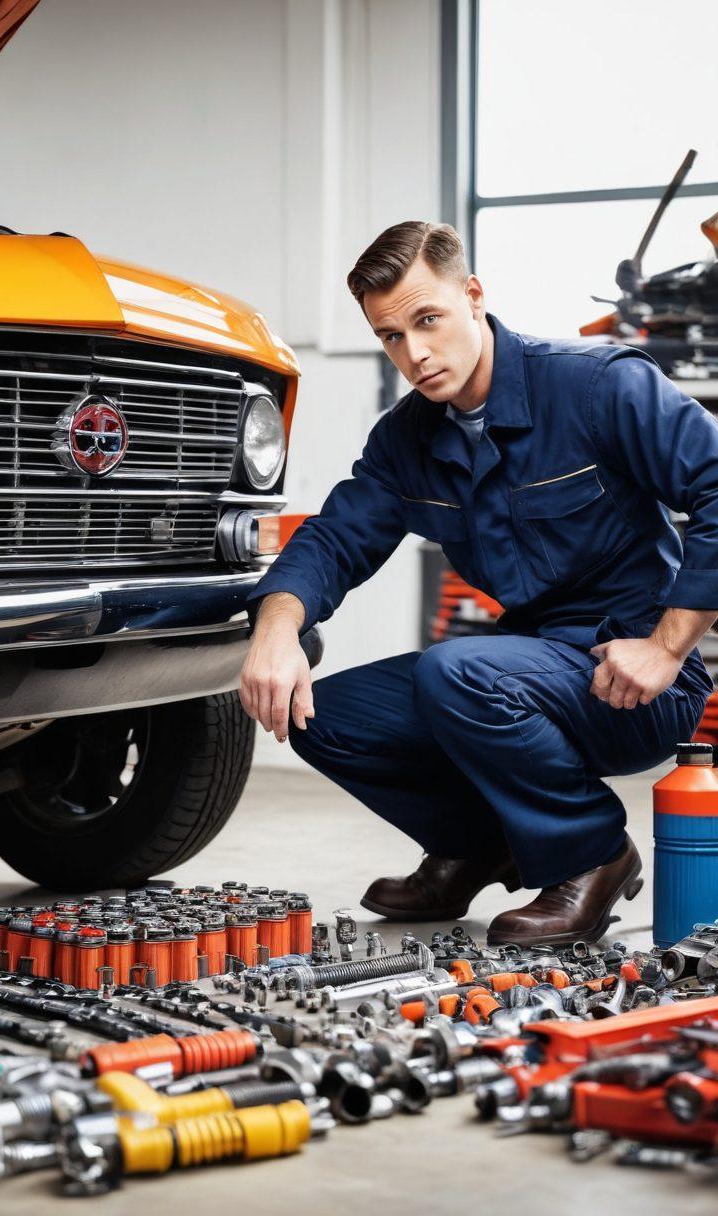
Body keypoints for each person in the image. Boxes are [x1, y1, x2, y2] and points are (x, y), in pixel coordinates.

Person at [237, 220, 718, 945]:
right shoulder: (407, 438)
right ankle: (477, 846)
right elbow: (335, 539)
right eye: (391, 336)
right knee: (320, 715)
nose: (415, 354)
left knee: (457, 672)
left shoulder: (596, 386)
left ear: (473, 295)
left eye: (427, 320)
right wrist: (276, 631)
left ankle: (592, 854)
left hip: (637, 681)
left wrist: (667, 647)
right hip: (524, 668)